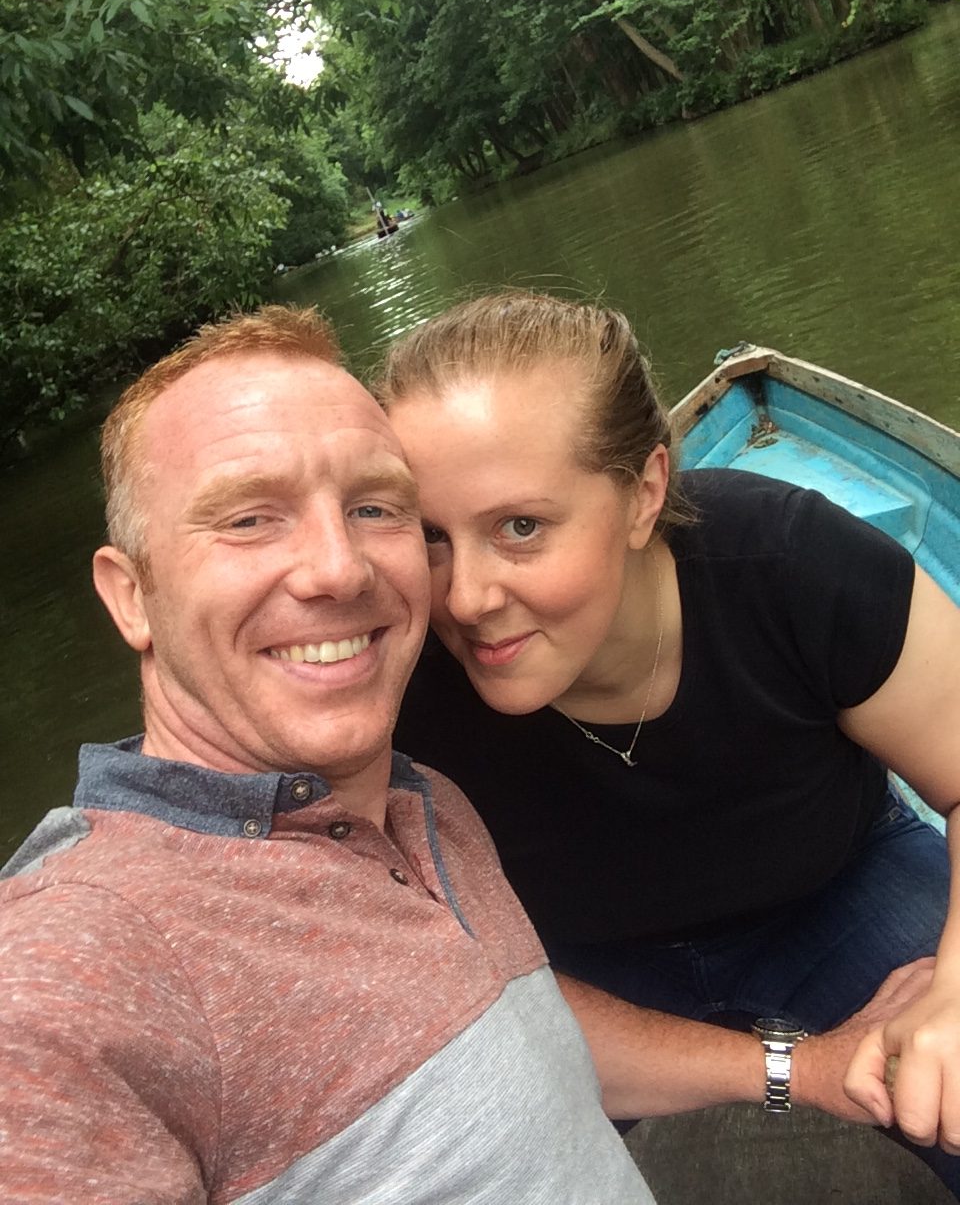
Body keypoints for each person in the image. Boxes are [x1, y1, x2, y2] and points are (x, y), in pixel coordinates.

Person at [0, 305, 657, 1203]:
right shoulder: (76, 967)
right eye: (248, 519)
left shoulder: (424, 804)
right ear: (132, 598)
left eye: (376, 508)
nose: (339, 569)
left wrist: (791, 1069)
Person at [378, 290, 960, 1192]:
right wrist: (794, 1071)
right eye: (430, 539)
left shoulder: (791, 566)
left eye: (520, 527)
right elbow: (468, 990)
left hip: (836, 891)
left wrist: (955, 993)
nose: (465, 600)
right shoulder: (398, 692)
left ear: (645, 492)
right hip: (576, 979)